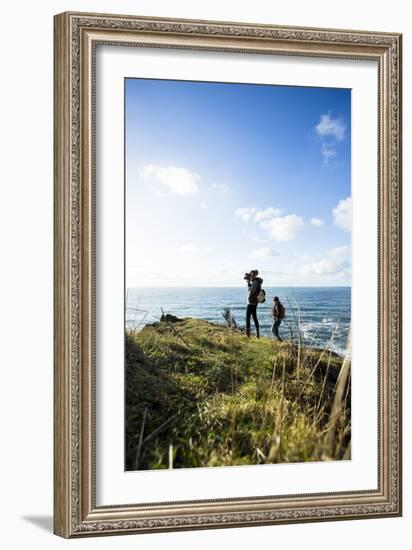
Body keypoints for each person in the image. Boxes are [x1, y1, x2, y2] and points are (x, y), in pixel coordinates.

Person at [245, 270, 263, 338]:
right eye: (250, 275)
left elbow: (251, 291)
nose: (251, 276)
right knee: (254, 318)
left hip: (251, 302)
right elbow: (251, 289)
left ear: (255, 275)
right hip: (254, 302)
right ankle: (257, 335)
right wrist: (249, 282)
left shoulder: (255, 282)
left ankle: (248, 335)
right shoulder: (256, 282)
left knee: (248, 318)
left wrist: (249, 282)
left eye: (252, 275)